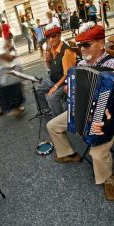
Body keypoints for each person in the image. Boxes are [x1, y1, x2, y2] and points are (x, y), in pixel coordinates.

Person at [47, 22, 114, 200]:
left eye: (86, 44)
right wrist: (71, 89)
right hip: (82, 112)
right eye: (80, 45)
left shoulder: (112, 65)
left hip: (107, 118)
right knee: (52, 125)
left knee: (97, 152)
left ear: (101, 42)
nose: (82, 49)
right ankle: (68, 153)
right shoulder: (81, 64)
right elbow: (74, 87)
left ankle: (109, 179)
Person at [36, 25, 76, 118]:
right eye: (48, 37)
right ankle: (47, 110)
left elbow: (67, 74)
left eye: (53, 36)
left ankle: (59, 119)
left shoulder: (66, 51)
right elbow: (51, 68)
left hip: (65, 82)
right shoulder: (52, 49)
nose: (50, 39)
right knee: (38, 89)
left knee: (51, 97)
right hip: (54, 79)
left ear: (59, 35)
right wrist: (47, 59)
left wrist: (55, 86)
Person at [0, 23, 25, 116]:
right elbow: (1, 54)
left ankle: (11, 108)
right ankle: (14, 109)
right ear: (0, 31)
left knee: (4, 92)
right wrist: (12, 57)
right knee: (12, 90)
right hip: (5, 69)